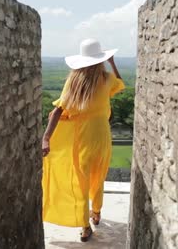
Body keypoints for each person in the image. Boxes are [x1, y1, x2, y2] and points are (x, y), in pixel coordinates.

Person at [41, 38, 125, 242]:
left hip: (82, 138)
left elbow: (57, 111)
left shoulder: (74, 81)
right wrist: (112, 63)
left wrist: (46, 138)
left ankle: (85, 226)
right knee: (99, 176)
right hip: (103, 136)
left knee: (81, 181)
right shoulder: (106, 79)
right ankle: (96, 212)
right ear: (100, 60)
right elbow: (120, 84)